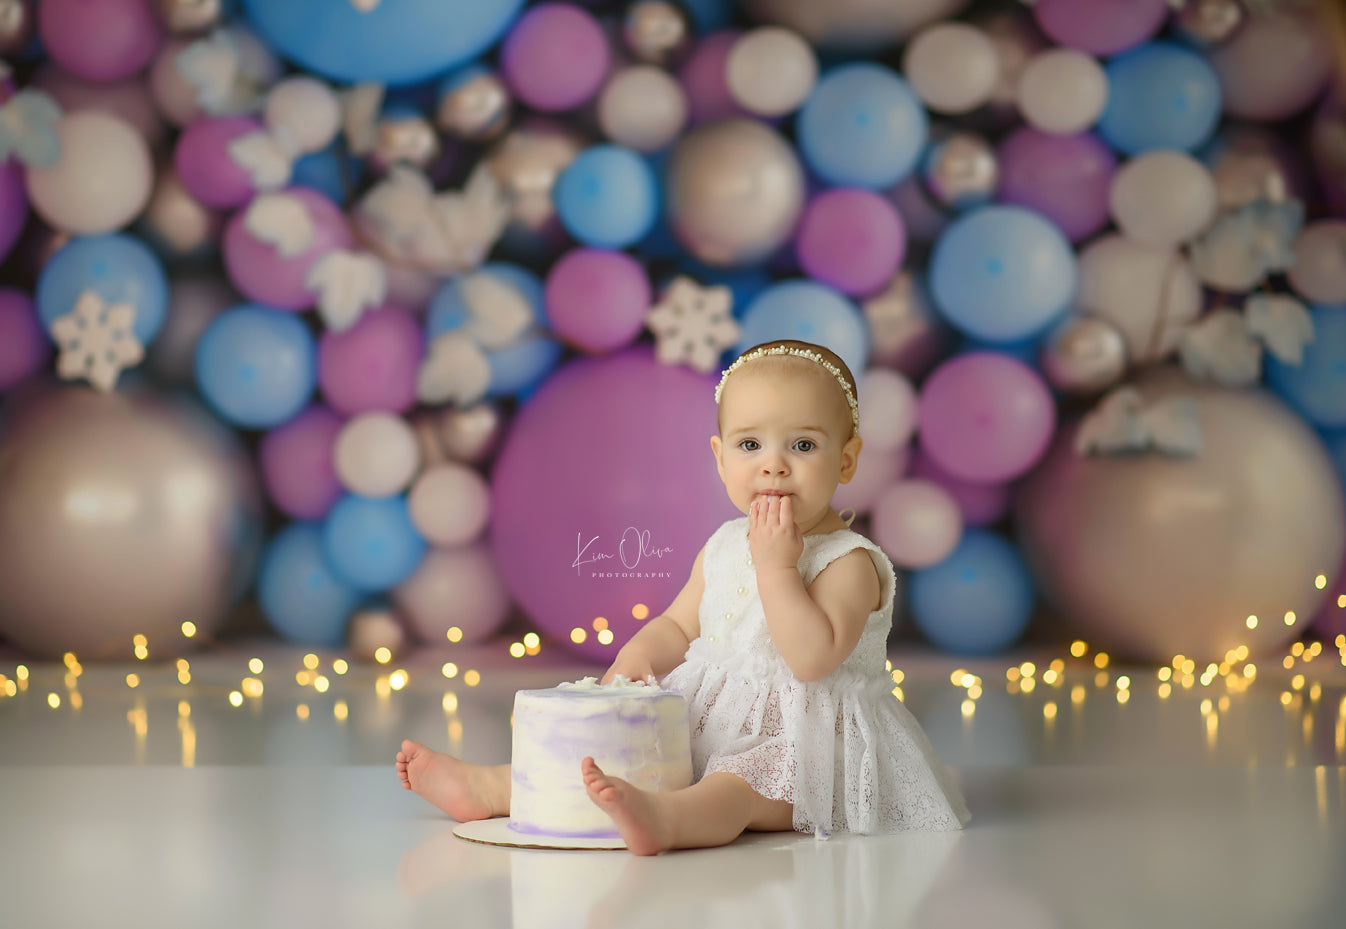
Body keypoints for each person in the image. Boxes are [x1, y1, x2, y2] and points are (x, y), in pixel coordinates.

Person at [396, 339, 970, 855]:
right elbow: (677, 625)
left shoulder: (849, 563)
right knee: (617, 751)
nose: (773, 463)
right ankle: (494, 786)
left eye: (802, 444)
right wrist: (638, 659)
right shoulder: (723, 545)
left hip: (808, 750)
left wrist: (778, 567)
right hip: (706, 719)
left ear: (845, 460)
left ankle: (667, 820)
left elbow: (811, 660)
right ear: (721, 460)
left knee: (737, 788)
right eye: (750, 444)